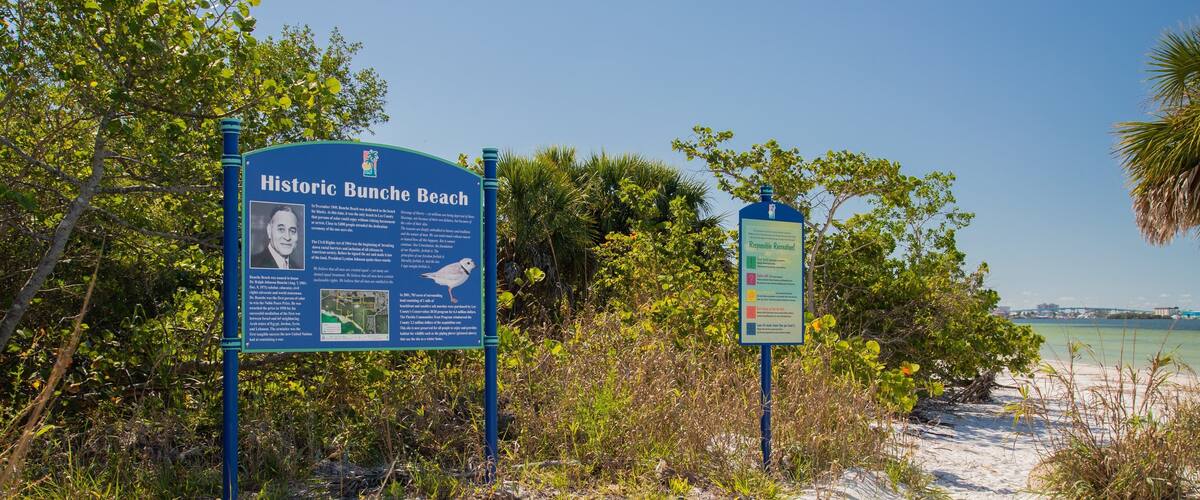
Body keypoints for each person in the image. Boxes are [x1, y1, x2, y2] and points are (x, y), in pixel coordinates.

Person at [250, 205, 301, 269]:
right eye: (281, 229)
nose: (287, 237)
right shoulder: (253, 264)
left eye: (292, 231)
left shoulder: (297, 268)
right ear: (269, 231)